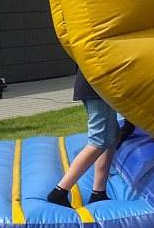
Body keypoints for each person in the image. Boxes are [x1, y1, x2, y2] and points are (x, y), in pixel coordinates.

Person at [47, 69, 116, 207]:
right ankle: (59, 192)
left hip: (93, 85)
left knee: (113, 135)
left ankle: (99, 192)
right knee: (99, 141)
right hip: (97, 87)